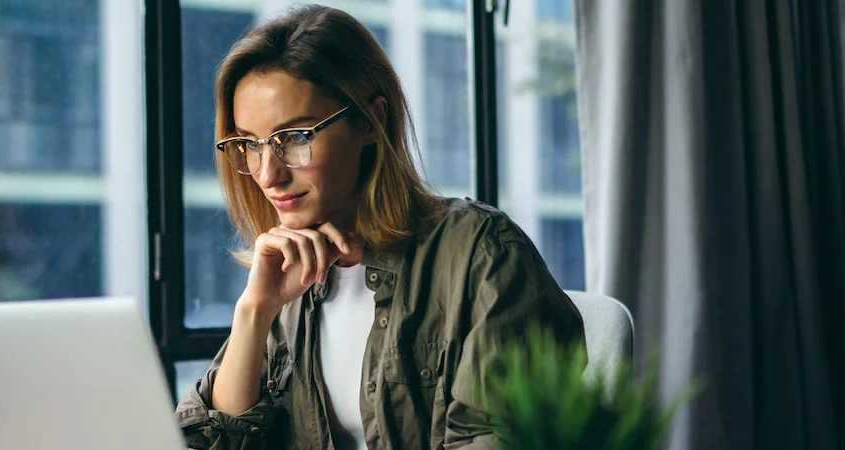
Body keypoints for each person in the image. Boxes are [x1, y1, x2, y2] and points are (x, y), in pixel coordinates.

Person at [174, 5, 586, 449]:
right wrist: (254, 311)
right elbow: (202, 444)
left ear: (371, 122)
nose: (267, 173)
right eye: (249, 145)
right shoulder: (287, 276)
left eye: (294, 138)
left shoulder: (481, 256)